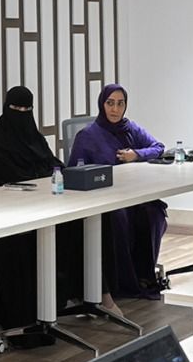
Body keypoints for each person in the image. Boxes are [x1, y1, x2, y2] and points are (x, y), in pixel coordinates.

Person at [0, 86, 80, 336]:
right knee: (23, 243)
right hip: (11, 215)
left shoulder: (35, 138)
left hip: (44, 206)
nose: (21, 113)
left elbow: (52, 164)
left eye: (27, 109)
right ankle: (25, 312)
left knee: (74, 225)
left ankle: (60, 299)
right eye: (16, 108)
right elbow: (7, 178)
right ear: (6, 109)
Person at [68, 84, 168, 301]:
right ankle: (123, 282)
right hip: (103, 200)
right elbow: (74, 172)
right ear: (102, 104)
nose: (115, 109)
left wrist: (136, 154)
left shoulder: (130, 129)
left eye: (120, 104)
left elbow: (159, 147)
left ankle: (144, 276)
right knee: (119, 218)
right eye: (110, 103)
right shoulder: (87, 136)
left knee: (154, 213)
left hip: (132, 195)